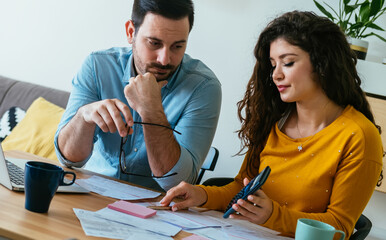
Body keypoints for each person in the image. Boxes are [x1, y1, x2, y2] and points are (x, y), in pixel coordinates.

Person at [160, 11, 383, 239]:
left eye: (288, 63)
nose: (275, 74)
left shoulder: (359, 136)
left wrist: (272, 215)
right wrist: (201, 194)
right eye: (273, 64)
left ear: (322, 64)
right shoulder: (274, 119)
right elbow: (241, 188)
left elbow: (339, 227)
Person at [54, 0, 221, 192]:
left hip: (156, 210)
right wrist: (84, 117)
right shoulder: (97, 66)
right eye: (154, 43)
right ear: (130, 32)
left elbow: (177, 183)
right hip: (91, 194)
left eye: (177, 47)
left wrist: (152, 111)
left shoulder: (203, 87)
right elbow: (68, 159)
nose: (164, 59)